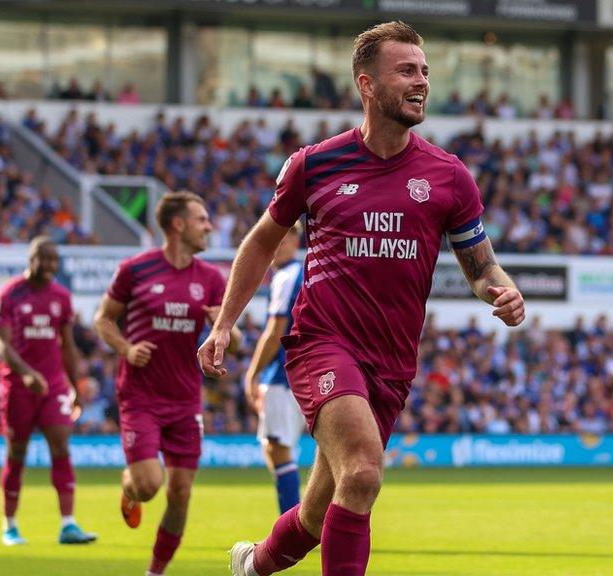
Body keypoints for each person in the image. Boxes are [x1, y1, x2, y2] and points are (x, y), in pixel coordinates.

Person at [197, 21, 526, 576]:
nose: (421, 81)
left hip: (392, 362)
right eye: (406, 71)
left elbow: (480, 260)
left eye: (424, 71)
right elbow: (260, 243)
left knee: (318, 508)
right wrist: (225, 323)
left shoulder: (449, 176)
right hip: (321, 343)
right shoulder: (315, 164)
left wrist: (501, 287)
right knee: (365, 472)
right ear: (366, 84)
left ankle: (252, 565)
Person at [95, 191, 241, 576]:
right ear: (178, 224)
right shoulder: (136, 269)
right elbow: (103, 320)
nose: (209, 226)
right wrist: (126, 349)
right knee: (148, 485)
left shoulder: (211, 278)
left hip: (185, 399)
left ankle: (154, 571)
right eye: (202, 219)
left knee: (180, 492)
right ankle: (129, 492)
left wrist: (220, 326)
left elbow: (236, 339)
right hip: (140, 396)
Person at [0, 236, 97, 546]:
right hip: (18, 386)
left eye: (54, 260)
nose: (50, 265)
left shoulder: (61, 296)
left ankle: (69, 525)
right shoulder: (8, 295)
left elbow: (68, 345)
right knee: (17, 453)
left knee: (61, 446)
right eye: (44, 259)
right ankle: (9, 526)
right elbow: (1, 343)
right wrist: (26, 374)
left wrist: (75, 386)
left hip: (53, 385)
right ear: (31, 259)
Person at [244, 223, 307, 514]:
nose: (276, 247)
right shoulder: (307, 270)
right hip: (305, 371)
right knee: (277, 447)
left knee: (278, 448)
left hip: (284, 376)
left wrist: (252, 372)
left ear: (295, 240)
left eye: (282, 240)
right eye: (272, 241)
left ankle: (292, 523)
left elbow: (275, 329)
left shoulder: (287, 275)